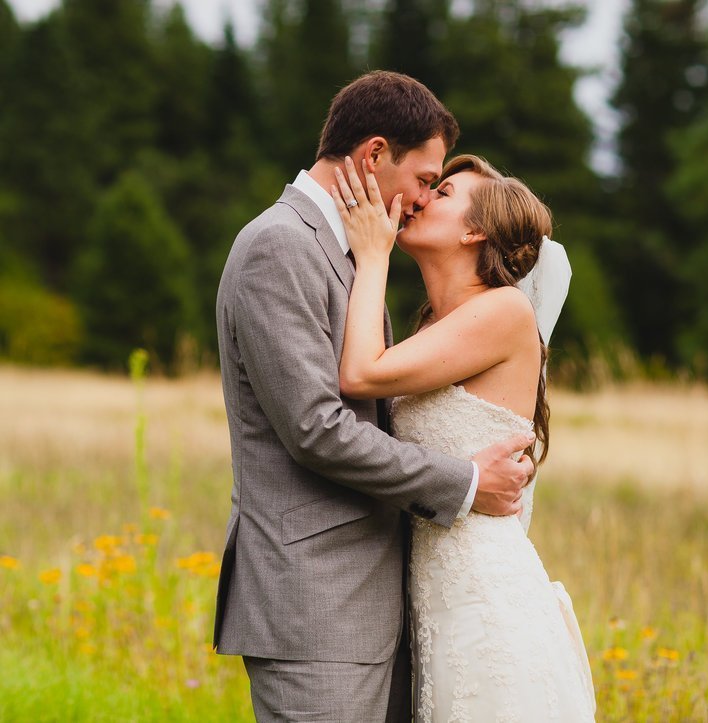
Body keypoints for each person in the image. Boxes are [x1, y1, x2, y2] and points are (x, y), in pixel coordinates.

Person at [213, 71, 536, 722]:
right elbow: (317, 429)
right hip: (316, 607)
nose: (421, 200)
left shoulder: (359, 256)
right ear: (373, 156)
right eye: (424, 179)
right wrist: (469, 480)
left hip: (384, 604)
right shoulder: (279, 246)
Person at [332, 153, 596, 721]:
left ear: (475, 231)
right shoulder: (433, 326)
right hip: (435, 601)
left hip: (485, 599)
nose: (422, 198)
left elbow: (359, 374)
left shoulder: (503, 311)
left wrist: (372, 254)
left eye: (443, 191)